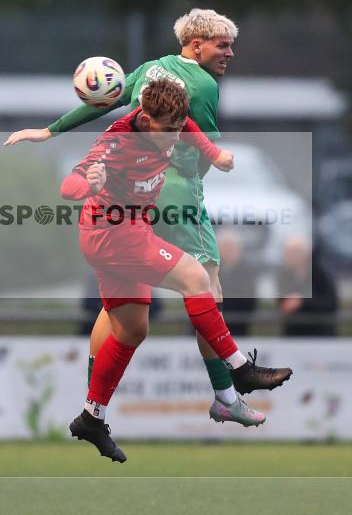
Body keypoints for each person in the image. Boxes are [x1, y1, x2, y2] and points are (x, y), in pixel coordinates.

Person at [5, 8, 265, 426]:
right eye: (223, 45)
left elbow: (103, 102)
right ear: (196, 45)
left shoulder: (149, 71)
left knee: (122, 315)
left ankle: (93, 403)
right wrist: (210, 161)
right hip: (174, 191)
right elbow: (201, 136)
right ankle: (227, 391)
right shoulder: (204, 83)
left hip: (126, 208)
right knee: (206, 286)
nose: (230, 53)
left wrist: (51, 130)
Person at [60, 80, 292, 462]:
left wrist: (213, 153)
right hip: (113, 232)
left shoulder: (167, 122)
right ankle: (240, 369)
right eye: (168, 130)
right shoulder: (115, 146)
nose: (174, 137)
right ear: (146, 120)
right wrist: (87, 182)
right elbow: (68, 185)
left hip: (125, 230)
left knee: (133, 329)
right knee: (195, 278)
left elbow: (188, 126)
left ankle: (91, 417)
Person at [276, 236, 339, 337]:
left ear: (304, 254)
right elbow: (281, 304)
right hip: (293, 336)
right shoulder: (284, 275)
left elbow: (330, 303)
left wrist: (302, 301)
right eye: (286, 252)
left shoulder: (321, 274)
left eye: (292, 252)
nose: (287, 256)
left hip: (320, 336)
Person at [216, 230, 258, 337]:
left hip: (238, 330)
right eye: (225, 247)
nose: (228, 251)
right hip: (212, 330)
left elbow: (249, 302)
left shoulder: (248, 273)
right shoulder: (210, 270)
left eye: (231, 248)